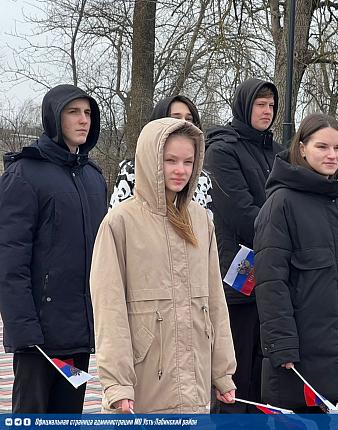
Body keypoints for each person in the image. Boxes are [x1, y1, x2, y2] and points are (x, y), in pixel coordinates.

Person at [90, 118, 236, 413]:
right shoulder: (120, 223)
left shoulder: (201, 221)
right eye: (170, 160)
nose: (181, 170)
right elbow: (109, 308)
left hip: (194, 380)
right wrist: (117, 384)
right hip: (144, 381)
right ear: (150, 160)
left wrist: (223, 371)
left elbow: (215, 301)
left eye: (188, 161)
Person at [253, 113, 338, 412]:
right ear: (302, 148)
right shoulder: (281, 203)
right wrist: (281, 344)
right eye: (322, 147)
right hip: (301, 358)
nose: (332, 155)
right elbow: (271, 282)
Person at [0, 84, 107, 413]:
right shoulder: (24, 174)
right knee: (33, 418)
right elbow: (10, 259)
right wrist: (24, 329)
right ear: (53, 117)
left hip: (78, 335)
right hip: (38, 339)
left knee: (68, 418)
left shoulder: (93, 178)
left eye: (88, 113)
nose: (83, 120)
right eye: (73, 112)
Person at [204, 78, 284, 412]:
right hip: (237, 277)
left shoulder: (279, 151)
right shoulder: (222, 149)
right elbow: (240, 212)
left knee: (263, 376)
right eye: (260, 104)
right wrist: (285, 238)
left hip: (272, 277)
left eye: (271, 105)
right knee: (235, 378)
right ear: (243, 105)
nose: (266, 111)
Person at [109, 95, 213, 214]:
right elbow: (117, 216)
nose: (183, 123)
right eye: (176, 118)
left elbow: (208, 223)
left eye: (189, 119)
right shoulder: (134, 170)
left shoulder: (202, 178)